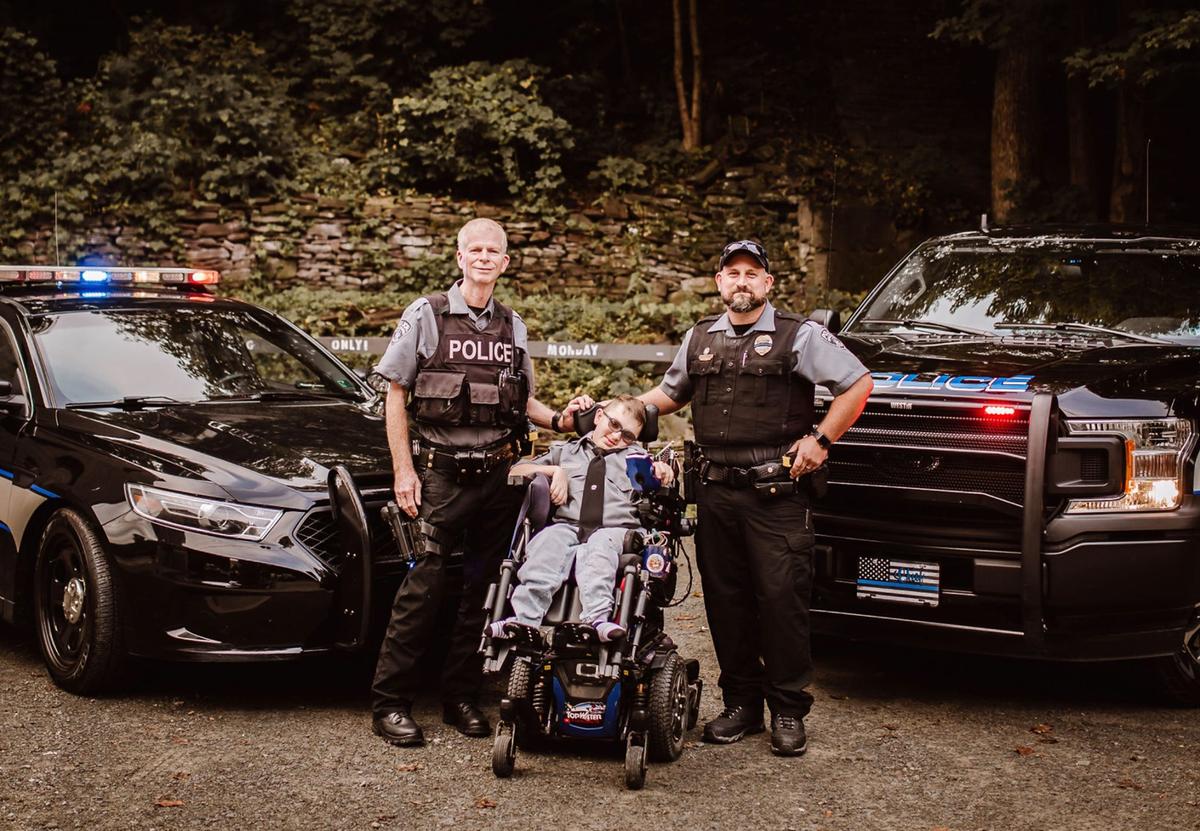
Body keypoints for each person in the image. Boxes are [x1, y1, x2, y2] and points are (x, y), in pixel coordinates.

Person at [634, 239, 872, 756]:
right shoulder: (700, 338)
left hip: (778, 495)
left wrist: (822, 440)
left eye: (751, 273)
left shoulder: (799, 335)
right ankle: (742, 704)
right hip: (716, 492)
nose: (741, 281)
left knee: (782, 602)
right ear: (719, 283)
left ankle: (787, 708)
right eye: (731, 273)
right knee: (727, 603)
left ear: (767, 284)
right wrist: (622, 409)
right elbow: (668, 394)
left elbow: (857, 385)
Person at [369, 217, 574, 747]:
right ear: (459, 257)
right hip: (439, 477)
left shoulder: (514, 326)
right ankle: (391, 703)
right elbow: (396, 393)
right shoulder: (427, 315)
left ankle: (460, 696)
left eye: (494, 251)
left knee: (483, 592)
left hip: (499, 480)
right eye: (474, 249)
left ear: (505, 263)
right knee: (424, 587)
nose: (484, 257)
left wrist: (564, 422)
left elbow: (522, 401)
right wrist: (403, 470)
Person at [487, 395, 674, 643]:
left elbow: (663, 472)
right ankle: (523, 621)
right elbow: (516, 470)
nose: (617, 436)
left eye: (628, 435)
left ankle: (596, 619)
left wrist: (665, 470)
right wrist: (555, 471)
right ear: (598, 417)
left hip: (617, 531)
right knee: (546, 543)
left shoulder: (636, 459)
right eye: (614, 425)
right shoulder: (566, 452)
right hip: (568, 526)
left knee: (599, 544)